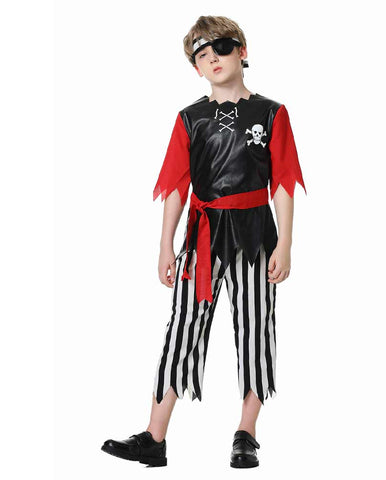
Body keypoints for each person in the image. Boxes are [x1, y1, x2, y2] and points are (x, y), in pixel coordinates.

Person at [101, 15, 306, 469]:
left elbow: (283, 182)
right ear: (195, 67)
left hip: (254, 236)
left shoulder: (271, 113)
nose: (213, 57)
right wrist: (165, 246)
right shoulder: (190, 119)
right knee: (183, 329)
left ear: (242, 51)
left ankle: (246, 433)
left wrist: (286, 243)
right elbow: (177, 186)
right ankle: (154, 437)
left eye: (222, 47)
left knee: (255, 327)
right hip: (203, 238)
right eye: (202, 53)